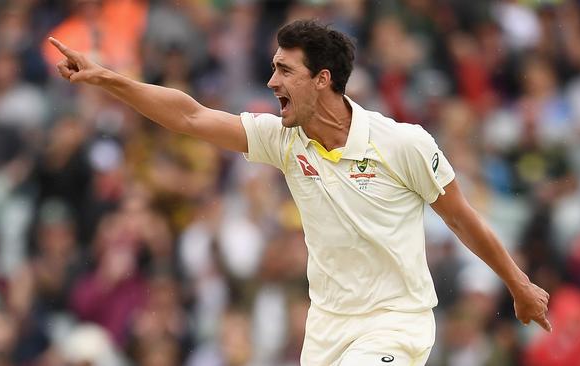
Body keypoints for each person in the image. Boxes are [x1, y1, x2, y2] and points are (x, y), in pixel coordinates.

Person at [48, 19, 551, 366]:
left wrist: (519, 285)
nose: (271, 82)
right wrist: (106, 78)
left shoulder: (404, 143)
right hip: (326, 331)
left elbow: (462, 218)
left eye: (285, 71)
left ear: (323, 80)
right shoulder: (284, 141)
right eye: (272, 69)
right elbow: (190, 115)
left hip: (395, 324)